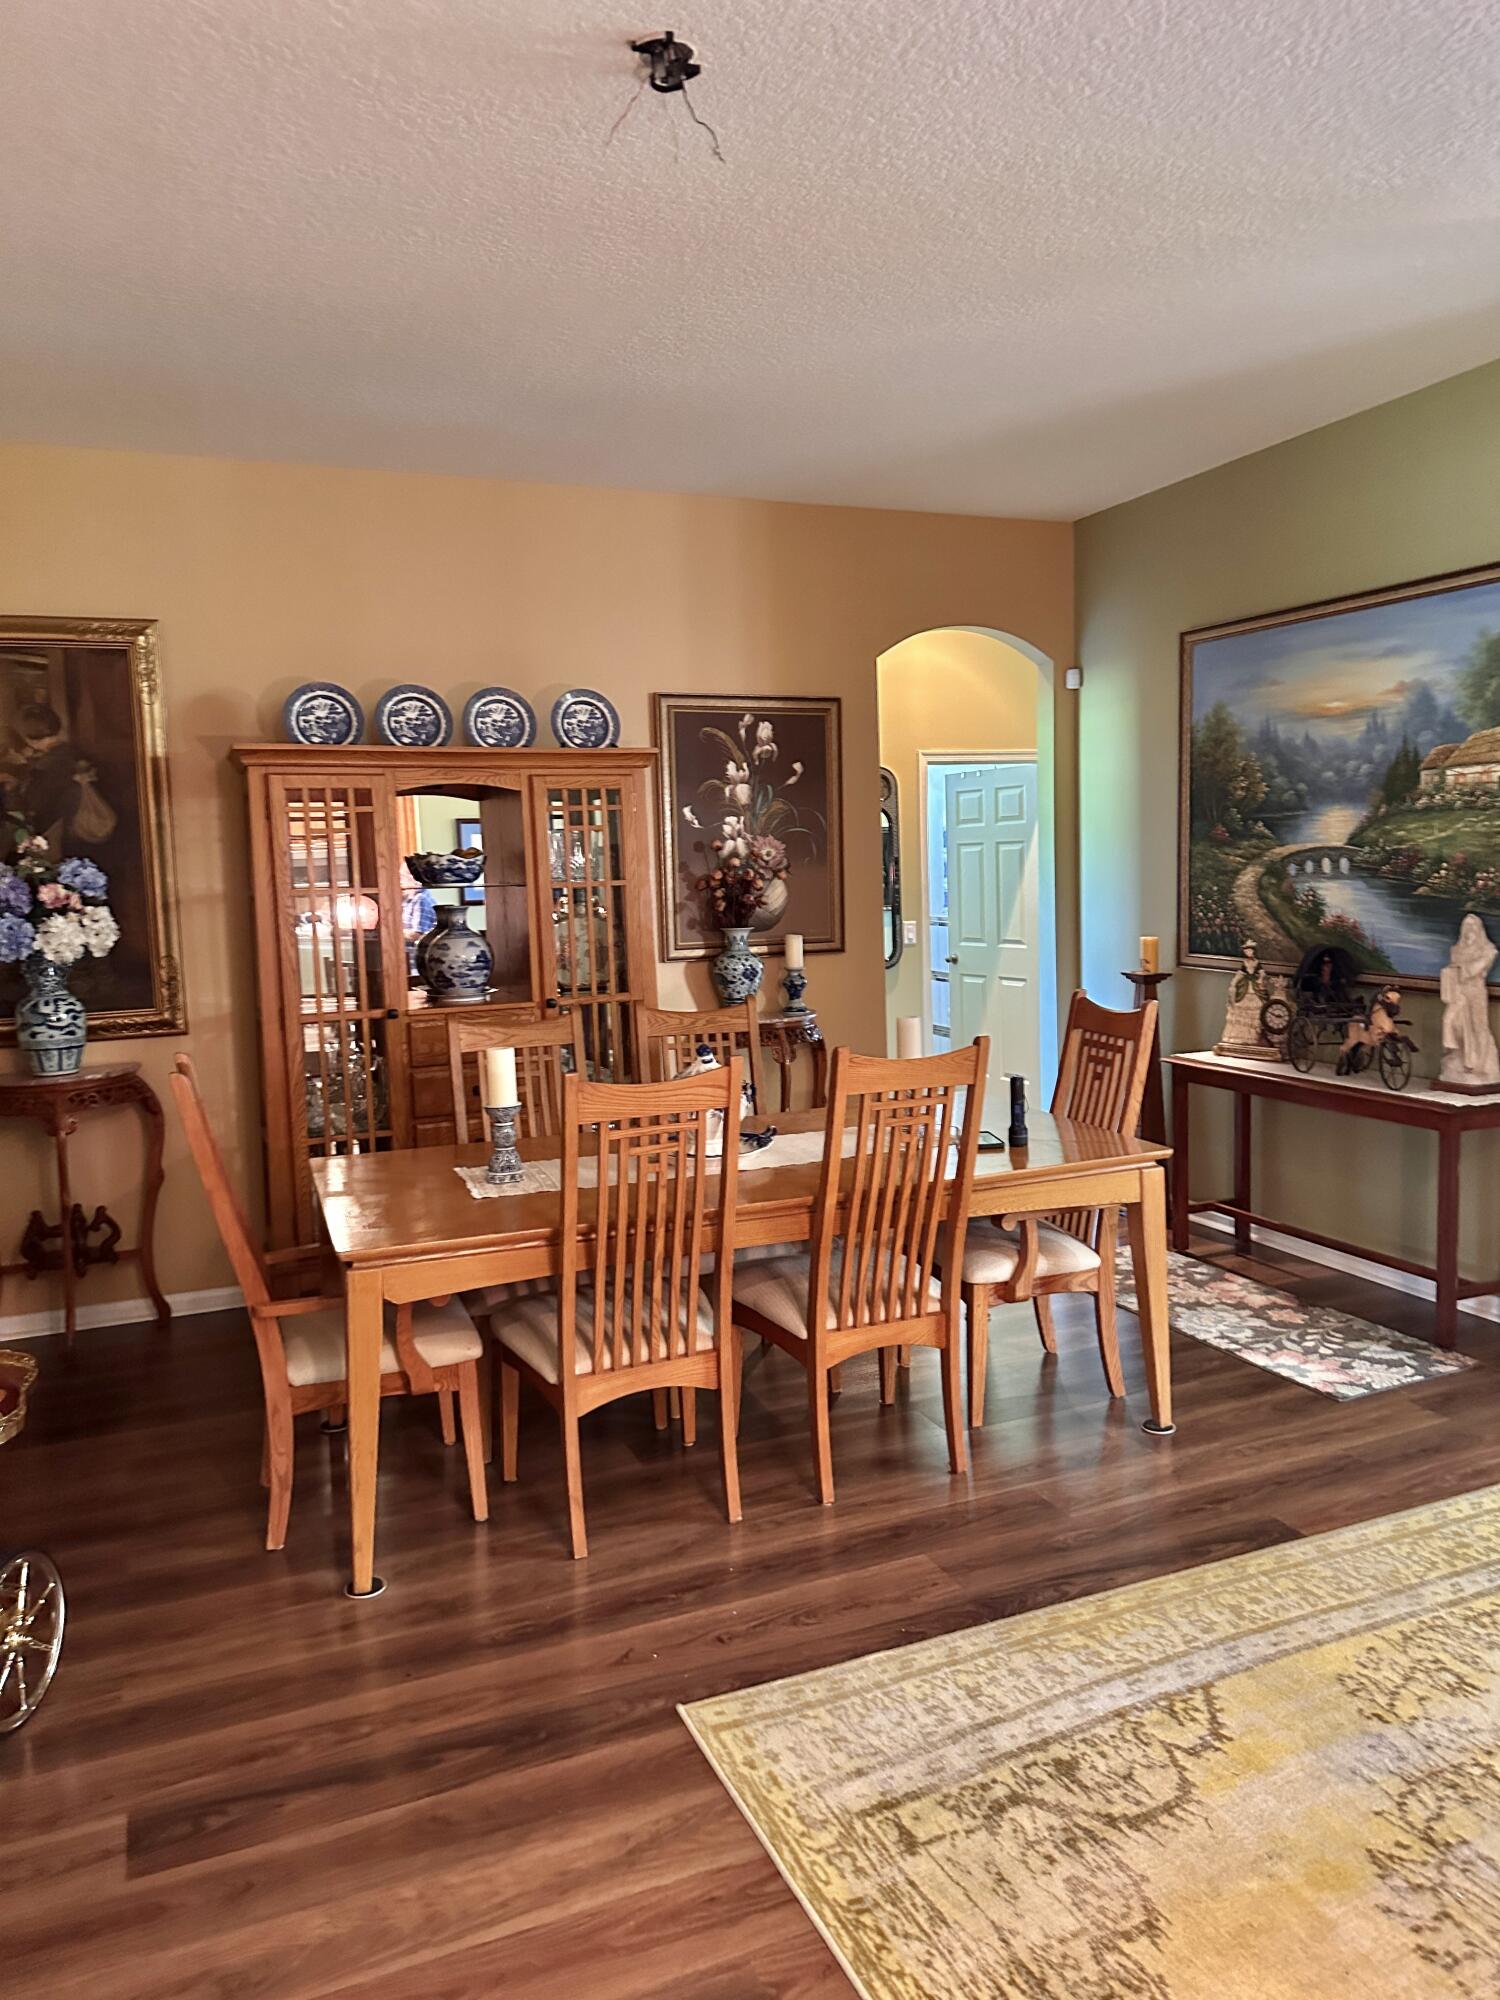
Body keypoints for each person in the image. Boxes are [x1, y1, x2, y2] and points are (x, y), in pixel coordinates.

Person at [1439, 914, 1500, 1088]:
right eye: (1466, 926)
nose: (1469, 930)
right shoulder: (1456, 949)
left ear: (1479, 929)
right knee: (1452, 1022)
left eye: (1473, 926)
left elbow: (1474, 969)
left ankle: (1479, 1065)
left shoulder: (1489, 950)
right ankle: (1457, 1054)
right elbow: (1454, 970)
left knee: (1477, 1027)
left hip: (1476, 993)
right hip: (1458, 992)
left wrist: (1459, 969)